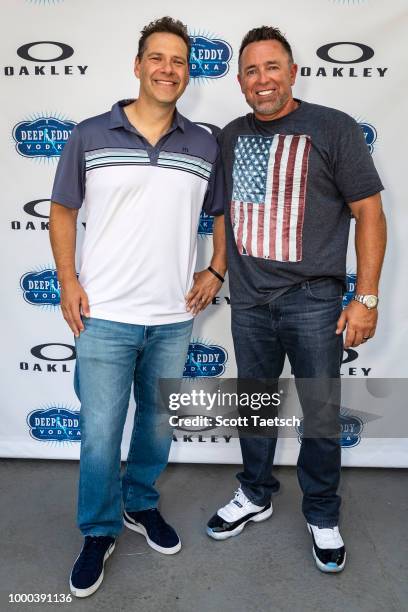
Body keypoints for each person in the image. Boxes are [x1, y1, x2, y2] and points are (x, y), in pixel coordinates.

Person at [50, 16, 226, 598]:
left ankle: (139, 504)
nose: (168, 69)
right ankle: (98, 530)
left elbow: (222, 213)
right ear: (138, 64)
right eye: (158, 58)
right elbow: (63, 211)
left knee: (154, 425)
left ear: (188, 71)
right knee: (100, 432)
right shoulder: (89, 134)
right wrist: (67, 279)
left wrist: (216, 268)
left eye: (178, 61)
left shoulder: (203, 142)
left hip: (174, 316)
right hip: (102, 314)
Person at [206, 26, 386, 573]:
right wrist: (218, 269)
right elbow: (224, 213)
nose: (263, 80)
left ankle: (323, 512)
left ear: (293, 71)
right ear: (240, 82)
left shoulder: (333, 128)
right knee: (255, 408)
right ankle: (255, 492)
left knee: (321, 414)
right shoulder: (232, 136)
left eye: (273, 67)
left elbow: (370, 215)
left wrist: (367, 298)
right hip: (250, 302)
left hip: (313, 299)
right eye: (252, 71)